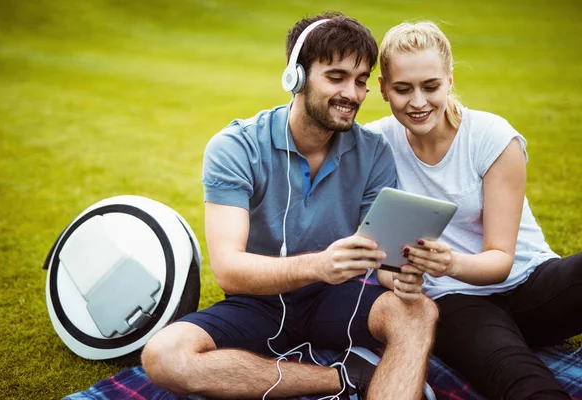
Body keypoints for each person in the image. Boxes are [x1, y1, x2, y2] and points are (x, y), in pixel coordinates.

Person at [141, 12, 439, 400]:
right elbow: (229, 272)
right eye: (336, 77)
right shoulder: (236, 147)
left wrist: (401, 275)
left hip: (336, 299)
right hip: (257, 305)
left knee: (418, 312)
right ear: (295, 76)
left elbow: (383, 264)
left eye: (361, 80)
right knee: (164, 355)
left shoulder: (374, 153)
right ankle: (348, 379)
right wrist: (318, 265)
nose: (352, 93)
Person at [365, 21, 582, 399]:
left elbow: (499, 259)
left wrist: (451, 263)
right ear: (383, 88)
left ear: (449, 80)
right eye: (403, 89)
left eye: (430, 86)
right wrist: (398, 279)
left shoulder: (492, 138)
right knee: (516, 373)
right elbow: (384, 259)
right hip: (453, 302)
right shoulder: (375, 145)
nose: (418, 102)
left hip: (527, 283)